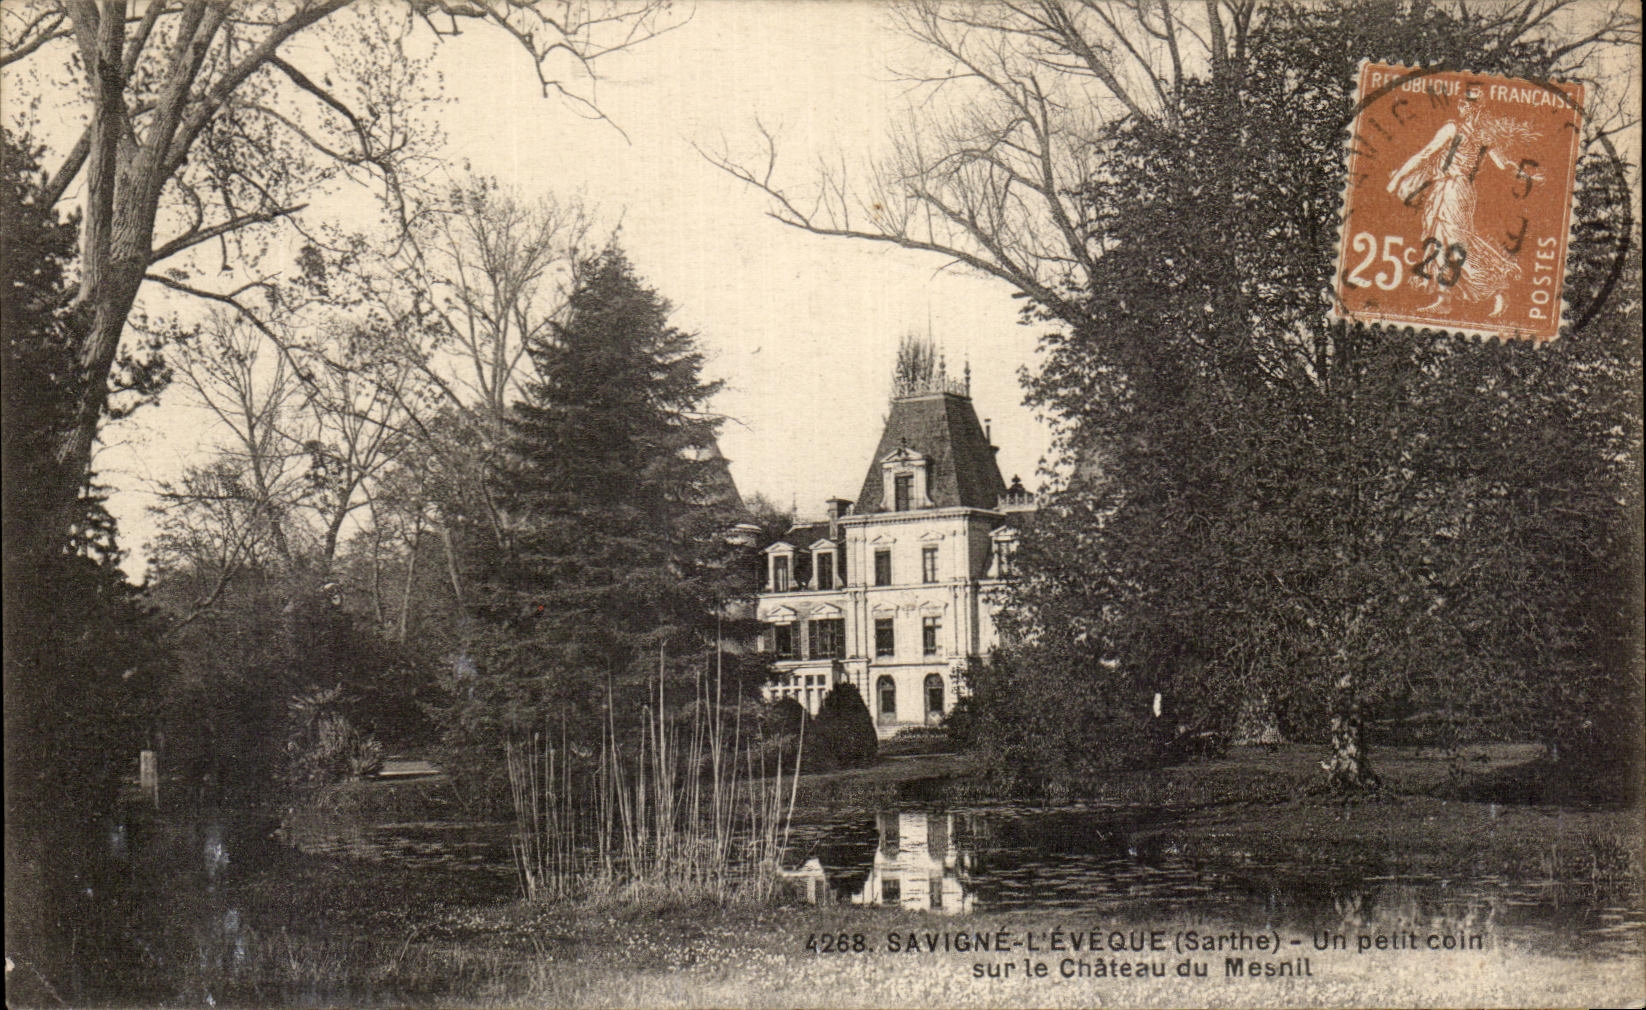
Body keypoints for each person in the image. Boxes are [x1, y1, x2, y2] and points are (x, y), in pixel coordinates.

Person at [1386, 84, 1541, 317]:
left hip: (1451, 189)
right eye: (1461, 101)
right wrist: (1526, 175)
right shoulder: (1481, 135)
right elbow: (1505, 165)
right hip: (1455, 190)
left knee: (1452, 242)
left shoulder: (1456, 129)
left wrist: (1398, 177)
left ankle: (1494, 288)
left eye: (1467, 102)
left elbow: (1425, 154)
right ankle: (1445, 298)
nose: (1461, 106)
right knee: (1443, 240)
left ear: (1475, 107)